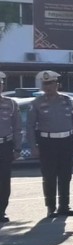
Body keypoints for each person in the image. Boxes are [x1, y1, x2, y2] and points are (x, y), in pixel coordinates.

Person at [27, 70, 73, 217]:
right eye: (45, 84)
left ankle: (64, 206)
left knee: (65, 175)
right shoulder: (36, 103)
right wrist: (33, 147)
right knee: (49, 176)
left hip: (66, 141)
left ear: (57, 84)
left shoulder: (68, 101)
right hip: (47, 142)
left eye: (51, 83)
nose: (48, 86)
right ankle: (51, 207)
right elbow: (30, 127)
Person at [0, 71, 20, 225]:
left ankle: (1, 211)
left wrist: (17, 148)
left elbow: (17, 127)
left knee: (4, 181)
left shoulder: (11, 104)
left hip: (5, 145)